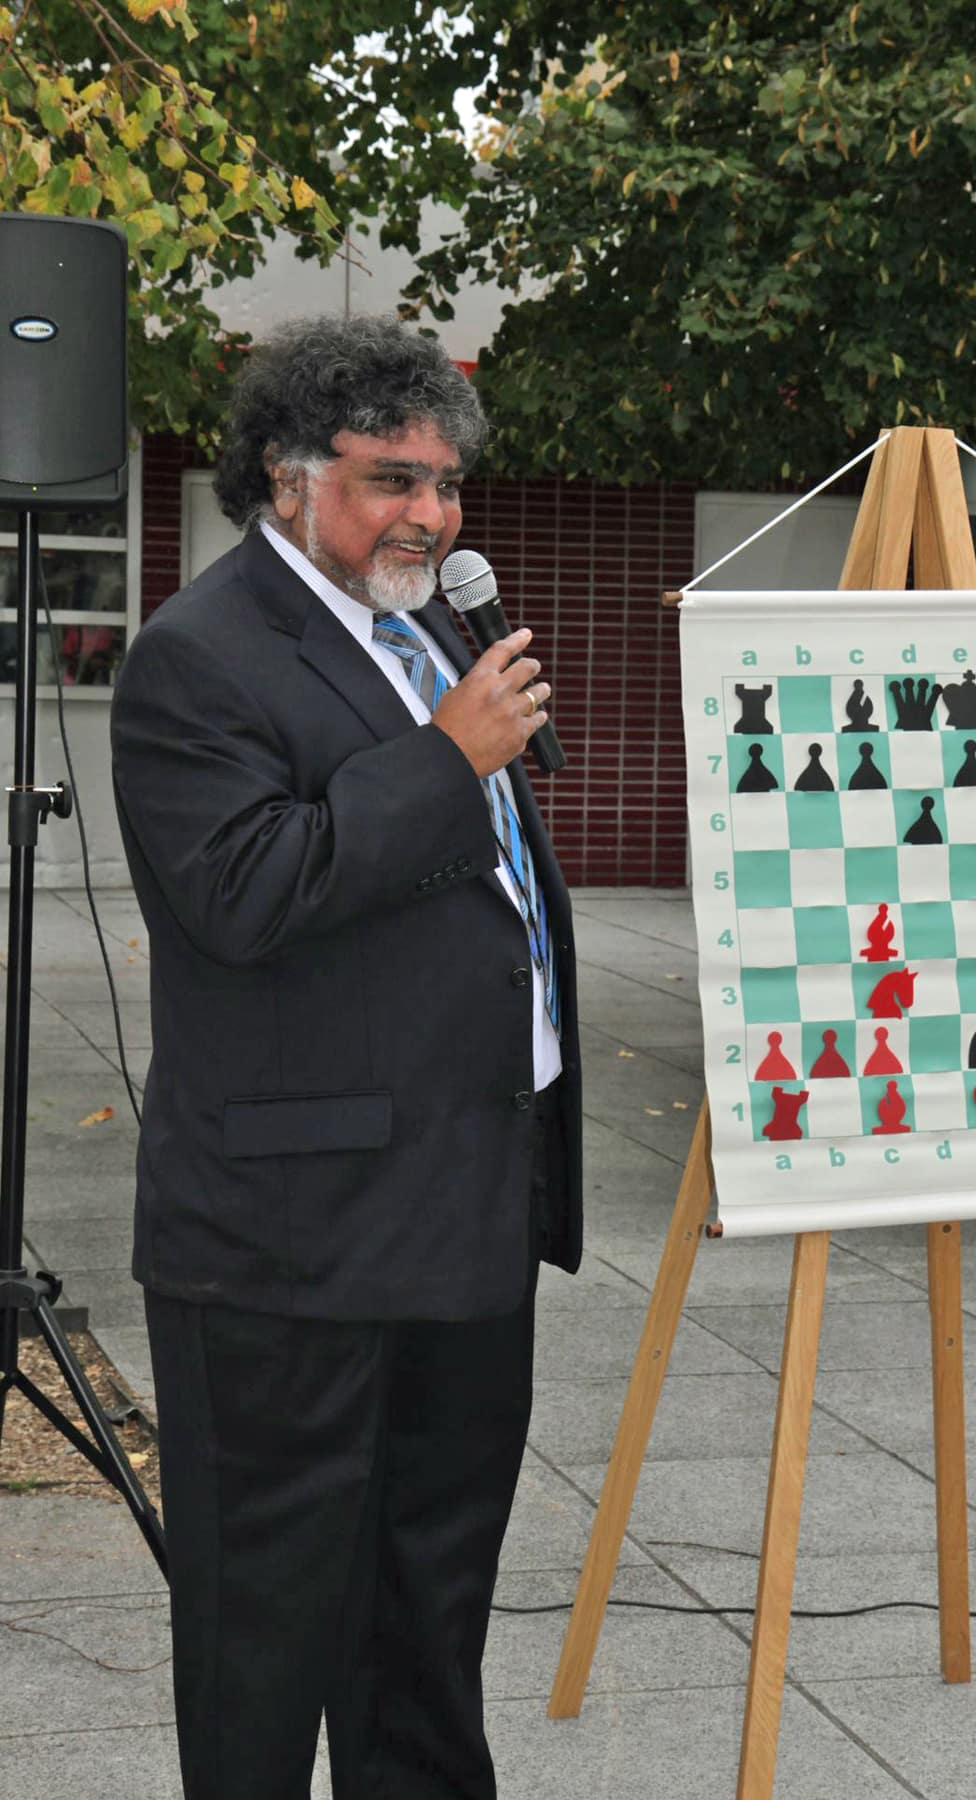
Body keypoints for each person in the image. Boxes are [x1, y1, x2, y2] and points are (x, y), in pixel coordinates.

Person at [110, 315, 582, 1800]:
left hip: (460, 1209)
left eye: (447, 485)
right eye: (394, 481)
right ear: (288, 472)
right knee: (266, 1633)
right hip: (285, 1245)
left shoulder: (429, 630)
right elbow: (246, 892)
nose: (431, 518)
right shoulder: (197, 656)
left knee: (427, 1620)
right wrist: (449, 759)